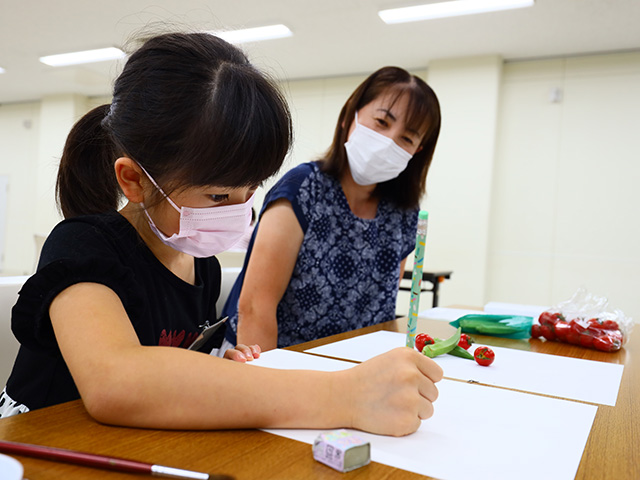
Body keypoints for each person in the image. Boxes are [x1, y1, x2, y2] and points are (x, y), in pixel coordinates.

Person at [0, 33, 443, 437]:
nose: (240, 213)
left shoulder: (202, 267)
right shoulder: (82, 247)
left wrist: (212, 373)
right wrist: (345, 396)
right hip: (36, 447)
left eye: (250, 192)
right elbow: (119, 381)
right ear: (134, 180)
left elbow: (167, 365)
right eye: (218, 196)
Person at [223, 66, 441, 350]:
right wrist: (270, 385)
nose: (389, 142)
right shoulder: (302, 189)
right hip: (277, 362)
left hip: (357, 368)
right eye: (382, 122)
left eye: (407, 138)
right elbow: (255, 307)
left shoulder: (405, 214)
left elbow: (382, 307)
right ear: (351, 116)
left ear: (417, 152)